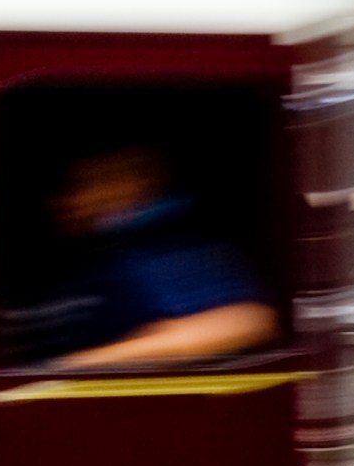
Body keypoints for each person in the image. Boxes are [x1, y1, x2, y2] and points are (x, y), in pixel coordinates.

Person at [36, 145, 278, 370]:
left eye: (88, 183)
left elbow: (247, 321)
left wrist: (69, 369)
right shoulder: (97, 250)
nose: (70, 201)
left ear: (141, 179)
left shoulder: (164, 241)